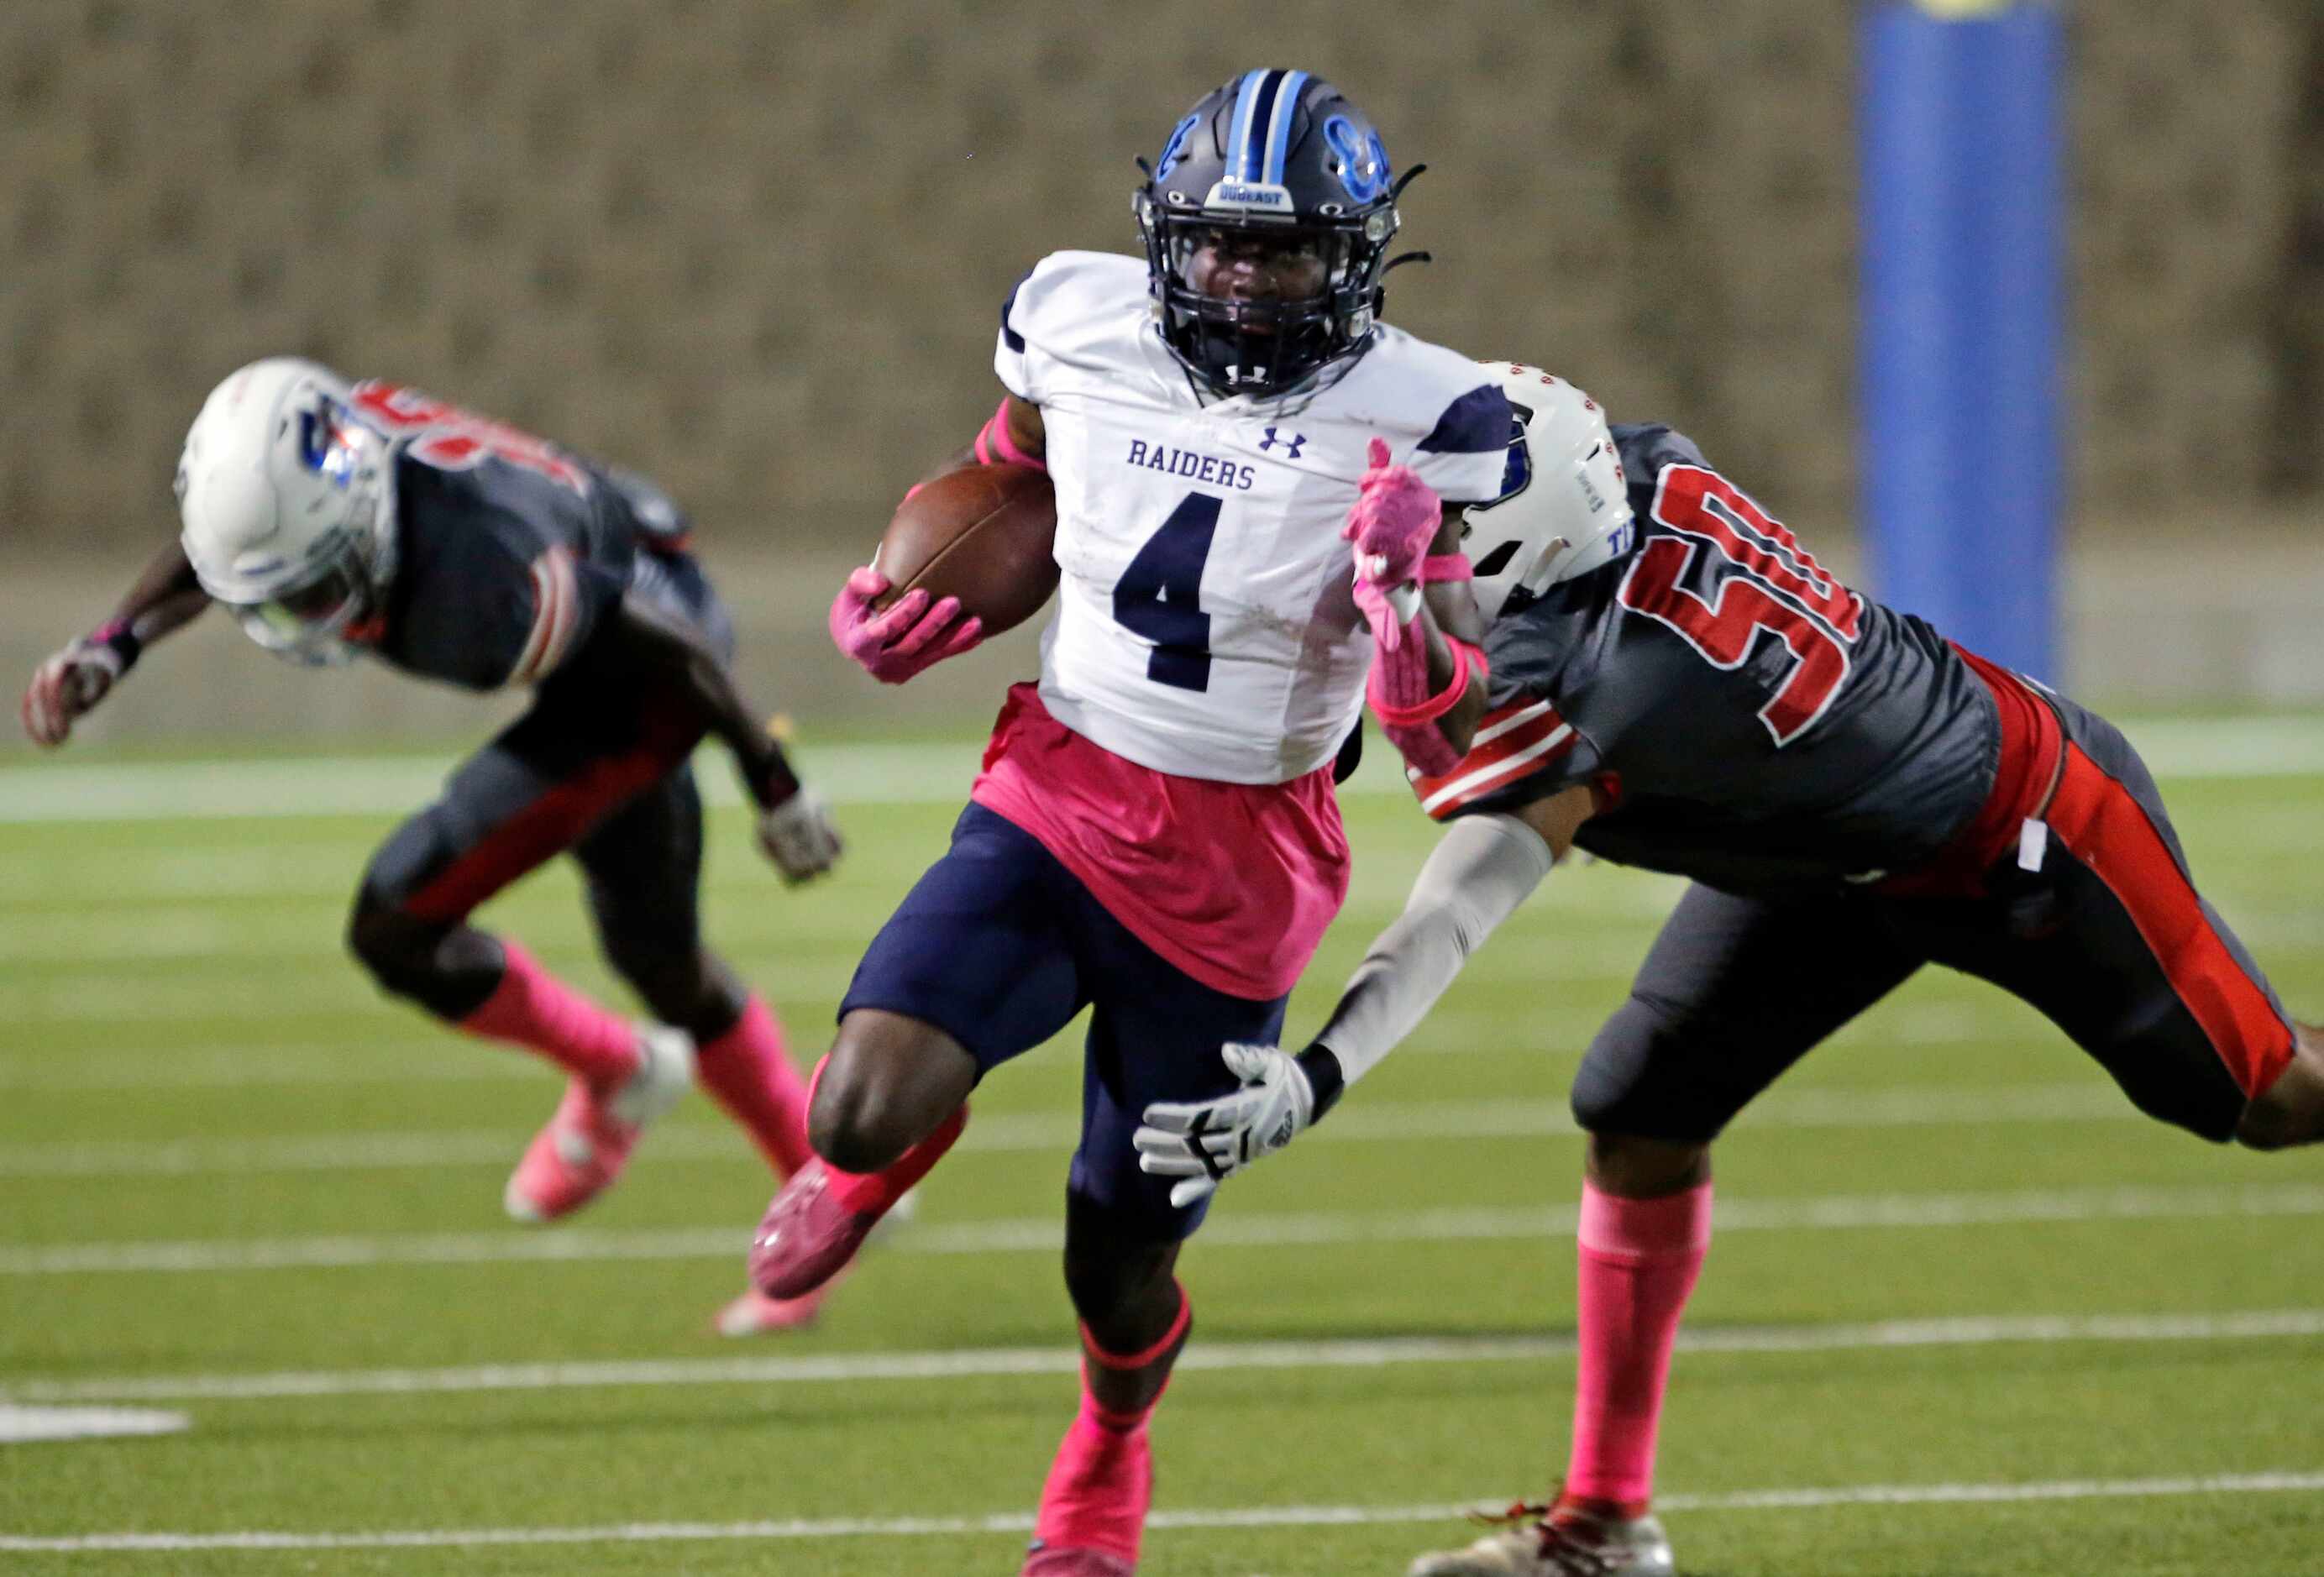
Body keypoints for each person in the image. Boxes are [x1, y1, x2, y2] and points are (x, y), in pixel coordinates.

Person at [1131, 361, 2324, 1576]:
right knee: (1636, 1110)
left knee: (2267, 1096)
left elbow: (1450, 909)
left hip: (2020, 830)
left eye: (1439, 551)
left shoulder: (1602, 680)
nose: (1401, 574)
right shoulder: (1604, 477)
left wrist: (1319, 1071)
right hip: (1824, 851)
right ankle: (1603, 1522)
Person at [746, 71, 1515, 1576]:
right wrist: (912, 601)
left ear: (1353, 260)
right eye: (1218, 247)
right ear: (1167, 238)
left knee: (1117, 1255)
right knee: (853, 1101)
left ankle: (1108, 1438)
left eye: (1281, 251)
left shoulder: (1442, 420)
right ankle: (873, 1158)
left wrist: (1415, 638)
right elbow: (1013, 485)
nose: (1240, 279)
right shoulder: (1075, 314)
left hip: (1246, 863)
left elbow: (1466, 734)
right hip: (1059, 788)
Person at [20, 357, 847, 1337]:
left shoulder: (486, 579)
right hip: (600, 590)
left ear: (360, 511)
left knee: (398, 920)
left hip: (646, 666)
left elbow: (668, 651)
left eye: (319, 582)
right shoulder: (318, 466)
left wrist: (773, 780)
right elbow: (222, 551)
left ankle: (632, 1080)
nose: (309, 614)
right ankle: (815, 1177)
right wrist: (112, 642)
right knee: (657, 958)